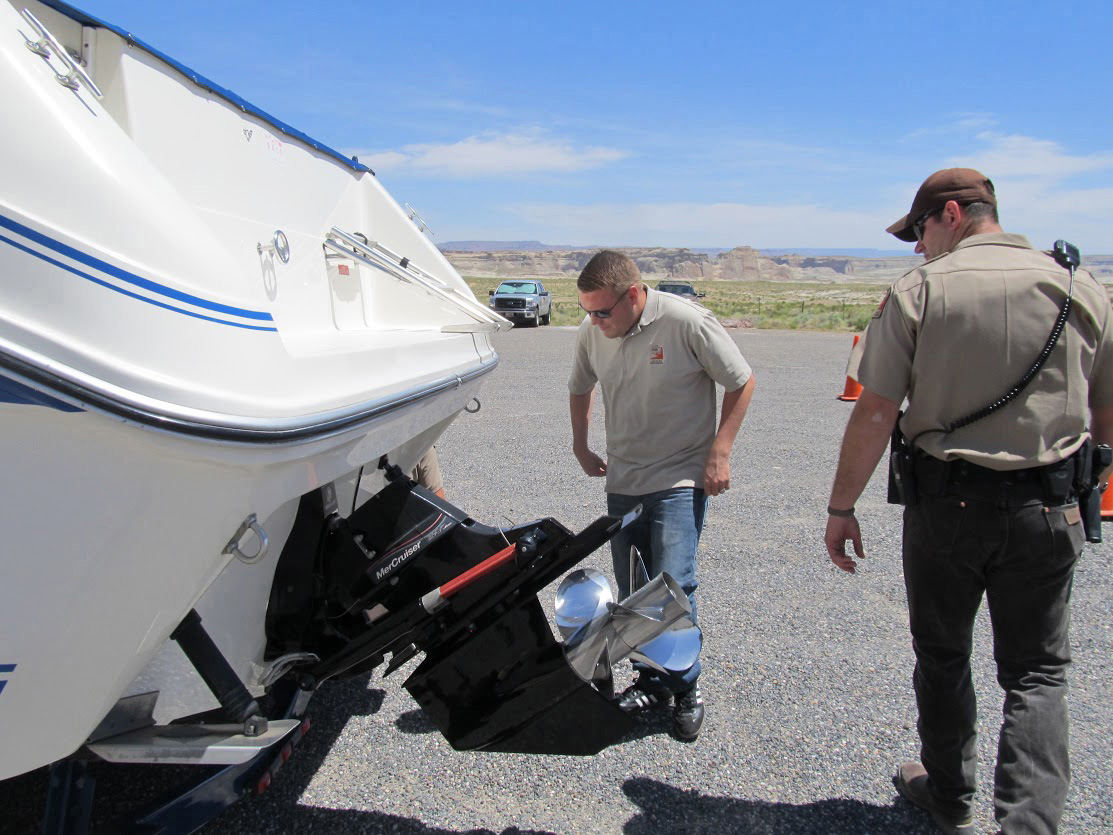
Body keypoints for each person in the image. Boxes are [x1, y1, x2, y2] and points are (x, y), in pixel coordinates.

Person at [824, 169, 1113, 834]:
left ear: (950, 214)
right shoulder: (1079, 285)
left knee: (943, 652)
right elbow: (1105, 405)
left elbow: (874, 411)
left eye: (919, 230)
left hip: (946, 508)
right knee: (1037, 674)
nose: (917, 248)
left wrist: (842, 507)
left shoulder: (920, 290)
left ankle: (949, 794)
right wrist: (1094, 486)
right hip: (1049, 508)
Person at [568, 250, 756, 740]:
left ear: (633, 295)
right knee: (634, 591)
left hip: (678, 477)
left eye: (602, 311)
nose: (594, 321)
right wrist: (580, 445)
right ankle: (653, 679)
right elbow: (579, 385)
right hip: (624, 481)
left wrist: (721, 451)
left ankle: (687, 684)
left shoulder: (685, 322)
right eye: (588, 311)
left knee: (674, 586)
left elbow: (741, 381)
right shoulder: (595, 330)